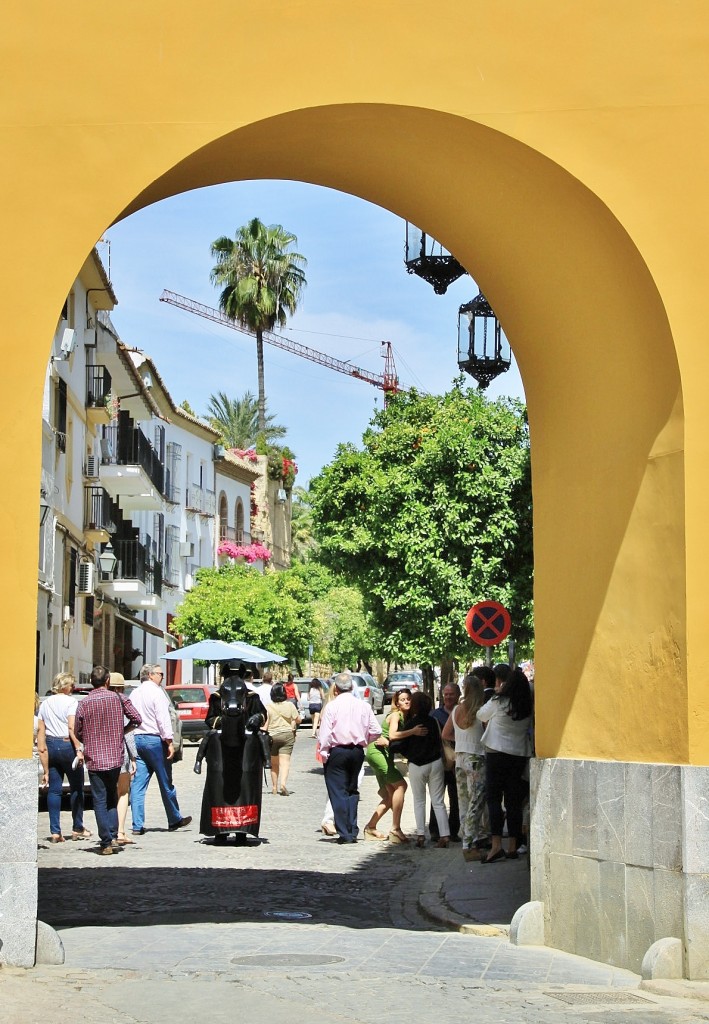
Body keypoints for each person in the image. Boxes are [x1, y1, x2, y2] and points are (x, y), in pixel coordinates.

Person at [195, 668, 269, 844]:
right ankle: (220, 831)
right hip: (221, 750)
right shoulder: (216, 697)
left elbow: (263, 715)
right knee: (218, 789)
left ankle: (242, 830)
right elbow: (209, 719)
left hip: (246, 750)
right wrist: (221, 720)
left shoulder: (252, 697)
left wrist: (256, 718)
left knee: (246, 789)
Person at [74, 665, 142, 855]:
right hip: (114, 756)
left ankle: (105, 842)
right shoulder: (119, 698)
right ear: (107, 681)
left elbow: (77, 730)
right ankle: (112, 835)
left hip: (94, 757)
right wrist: (123, 731)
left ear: (91, 682)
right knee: (112, 797)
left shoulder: (84, 703)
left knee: (99, 800)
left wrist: (87, 738)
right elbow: (137, 719)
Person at [476, 667, 533, 863]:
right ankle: (512, 847)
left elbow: (481, 715)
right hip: (517, 755)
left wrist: (498, 694)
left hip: (496, 753)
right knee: (513, 801)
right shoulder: (527, 705)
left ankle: (496, 845)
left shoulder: (498, 701)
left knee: (493, 799)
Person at [317, 671, 381, 844]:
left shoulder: (332, 707)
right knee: (352, 790)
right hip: (357, 751)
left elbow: (325, 735)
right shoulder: (364, 706)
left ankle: (344, 832)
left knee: (338, 791)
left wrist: (323, 753)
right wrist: (364, 741)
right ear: (352, 687)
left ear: (336, 689)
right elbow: (376, 730)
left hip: (337, 751)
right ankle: (352, 829)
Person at [130, 663, 191, 835]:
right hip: (155, 740)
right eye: (160, 674)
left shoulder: (135, 693)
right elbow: (163, 718)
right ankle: (174, 818)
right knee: (165, 781)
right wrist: (169, 741)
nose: (162, 677)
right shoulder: (157, 693)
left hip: (137, 738)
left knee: (138, 785)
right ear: (150, 675)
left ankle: (137, 824)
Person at [36, 672, 90, 843]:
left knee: (54, 790)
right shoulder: (71, 702)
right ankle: (77, 827)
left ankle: (55, 831)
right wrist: (79, 749)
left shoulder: (45, 704)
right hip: (67, 745)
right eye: (72, 685)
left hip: (51, 744)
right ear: (66, 686)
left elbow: (41, 731)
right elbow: (72, 727)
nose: (73, 688)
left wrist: (42, 752)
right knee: (76, 787)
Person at [362, 688, 422, 844]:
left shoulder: (407, 717)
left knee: (390, 796)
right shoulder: (396, 715)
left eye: (408, 698)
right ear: (396, 702)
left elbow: (394, 740)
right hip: (378, 753)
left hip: (384, 754)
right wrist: (414, 731)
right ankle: (395, 828)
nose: (406, 701)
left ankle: (371, 827)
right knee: (401, 786)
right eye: (402, 699)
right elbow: (394, 735)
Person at [442, 674, 489, 860]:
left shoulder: (455, 710)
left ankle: (469, 839)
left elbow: (445, 733)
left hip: (460, 758)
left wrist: (461, 741)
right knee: (476, 801)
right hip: (476, 758)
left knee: (463, 801)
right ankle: (468, 844)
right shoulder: (480, 711)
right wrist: (474, 742)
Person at [402, 691, 450, 847]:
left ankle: (421, 835)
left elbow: (400, 745)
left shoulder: (411, 724)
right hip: (435, 763)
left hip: (416, 765)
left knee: (419, 801)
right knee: (438, 801)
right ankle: (444, 835)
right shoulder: (434, 721)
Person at [428, 682, 461, 842]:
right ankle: (435, 830)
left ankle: (453, 831)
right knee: (437, 797)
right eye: (446, 694)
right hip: (440, 761)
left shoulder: (462, 713)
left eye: (451, 694)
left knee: (456, 798)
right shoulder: (434, 714)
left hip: (458, 761)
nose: (448, 697)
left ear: (458, 695)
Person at [109, 672, 138, 846]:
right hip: (121, 753)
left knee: (107, 793)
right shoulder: (122, 702)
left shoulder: (99, 699)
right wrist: (134, 756)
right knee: (123, 792)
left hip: (101, 754)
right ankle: (119, 831)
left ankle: (108, 832)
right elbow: (130, 732)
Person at [267, 682, 301, 795]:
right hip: (287, 735)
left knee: (274, 764)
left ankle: (274, 787)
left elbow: (265, 723)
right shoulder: (290, 705)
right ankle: (283, 784)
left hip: (272, 736)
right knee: (285, 762)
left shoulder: (268, 707)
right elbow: (298, 720)